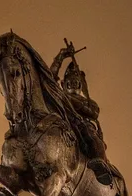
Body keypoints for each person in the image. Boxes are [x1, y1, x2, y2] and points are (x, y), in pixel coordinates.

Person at [51, 40, 114, 186]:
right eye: (70, 81)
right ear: (63, 83)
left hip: (82, 125)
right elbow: (50, 78)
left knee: (89, 133)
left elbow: (93, 113)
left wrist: (70, 100)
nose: (73, 83)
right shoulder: (59, 95)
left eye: (76, 81)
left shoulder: (89, 103)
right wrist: (60, 57)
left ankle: (100, 166)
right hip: (62, 124)